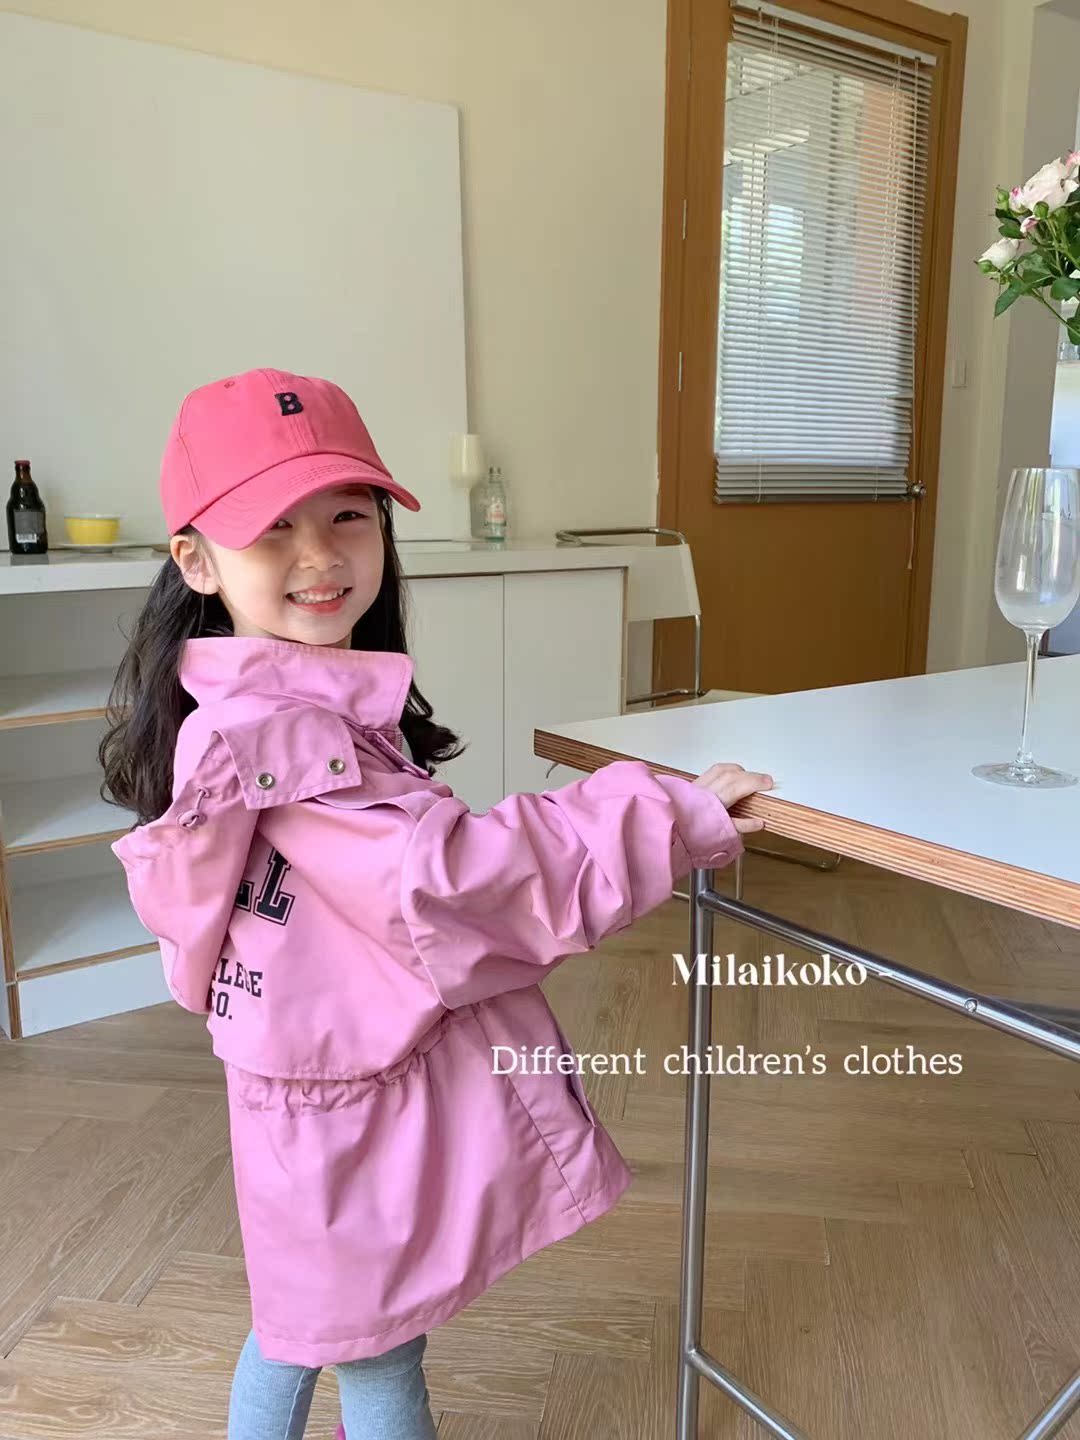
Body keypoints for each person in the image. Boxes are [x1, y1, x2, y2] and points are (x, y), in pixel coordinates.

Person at [102, 367, 773, 1440]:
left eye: (348, 516)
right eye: (273, 529)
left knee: (301, 1321)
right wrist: (664, 815)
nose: (321, 557)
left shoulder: (271, 702)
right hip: (345, 1104)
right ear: (197, 560)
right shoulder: (284, 735)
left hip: (309, 1082)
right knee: (376, 1352)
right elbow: (447, 884)